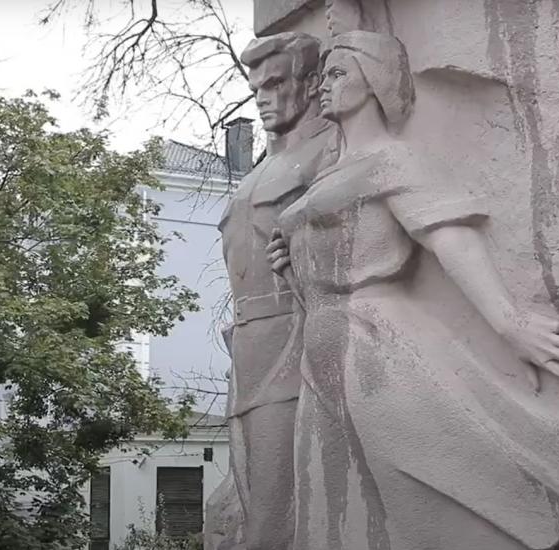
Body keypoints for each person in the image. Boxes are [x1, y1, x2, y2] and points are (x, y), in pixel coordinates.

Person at [267, 31, 559, 550]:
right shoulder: (326, 174)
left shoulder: (395, 161)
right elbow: (318, 276)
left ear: (373, 79)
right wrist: (288, 266)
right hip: (324, 345)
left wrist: (508, 322)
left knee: (428, 489)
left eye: (338, 73)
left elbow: (450, 239)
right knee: (345, 508)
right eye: (323, 77)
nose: (323, 87)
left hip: (375, 344)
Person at [218, 32, 338, 550]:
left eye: (276, 83)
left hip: (295, 334)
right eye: (256, 88)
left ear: (311, 84)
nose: (263, 97)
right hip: (246, 342)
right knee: (246, 497)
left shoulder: (331, 150)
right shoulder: (261, 170)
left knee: (272, 503)